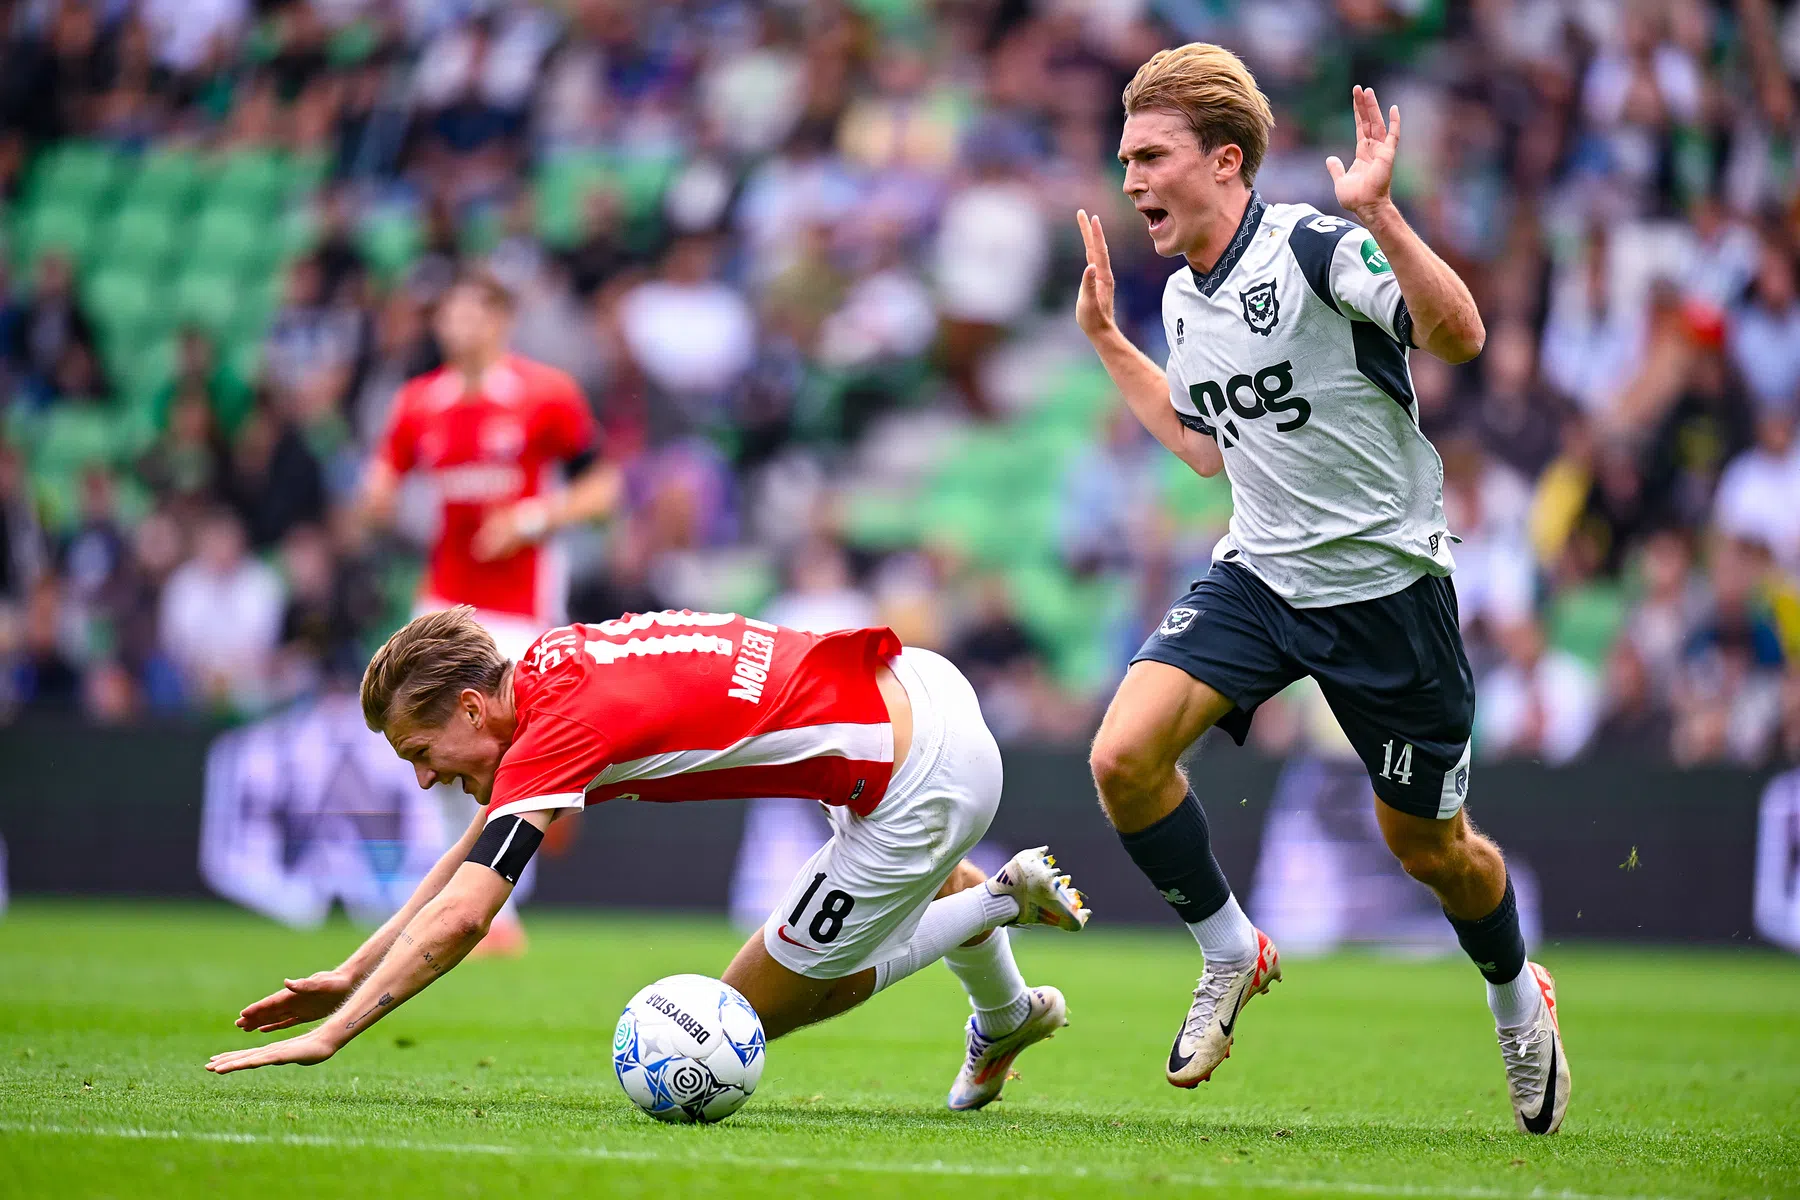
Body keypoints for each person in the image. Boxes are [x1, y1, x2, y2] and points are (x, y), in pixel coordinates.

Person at [1074, 44, 1569, 1134]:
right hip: (1261, 575)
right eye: (1125, 159)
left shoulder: (1313, 246)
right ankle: (1228, 951)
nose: (1131, 181)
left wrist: (1384, 217)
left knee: (1431, 850)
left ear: (1227, 160)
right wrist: (1111, 342)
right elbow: (1207, 451)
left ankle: (1513, 994)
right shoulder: (1185, 303)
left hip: (1386, 591)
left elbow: (1461, 334)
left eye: (1150, 156)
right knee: (1122, 756)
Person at [205, 606, 1089, 1113]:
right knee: (889, 894)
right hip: (914, 692)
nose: (428, 778)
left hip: (920, 777)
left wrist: (336, 1034)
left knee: (733, 1020)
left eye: (421, 752)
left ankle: (1000, 900)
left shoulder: (556, 729)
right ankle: (1006, 1016)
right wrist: (351, 970)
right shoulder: (549, 662)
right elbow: (472, 857)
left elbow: (468, 913)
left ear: (473, 708)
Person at [361, 268, 623, 954]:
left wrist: (533, 518)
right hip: (443, 602)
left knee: (511, 752)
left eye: (471, 314)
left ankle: (498, 899)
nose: (457, 327)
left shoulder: (545, 395)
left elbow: (604, 487)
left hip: (519, 604)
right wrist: (377, 496)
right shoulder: (419, 402)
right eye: (447, 315)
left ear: (500, 320)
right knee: (433, 743)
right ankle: (484, 916)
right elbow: (382, 476)